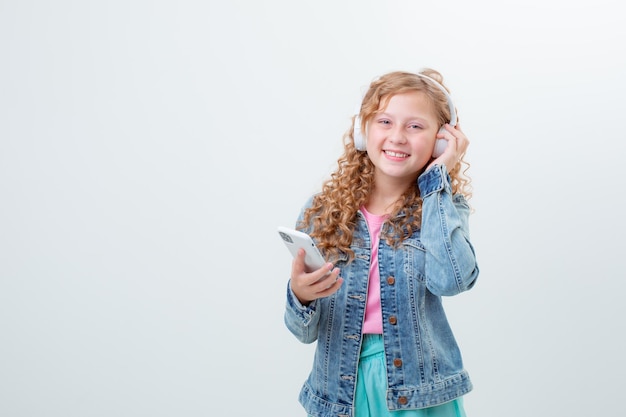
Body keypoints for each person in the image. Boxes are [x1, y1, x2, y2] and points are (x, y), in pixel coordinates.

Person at [283, 68, 479, 417]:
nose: (398, 137)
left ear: (441, 141)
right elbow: (303, 331)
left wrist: (439, 178)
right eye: (385, 122)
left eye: (416, 126)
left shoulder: (443, 209)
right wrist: (300, 294)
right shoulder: (323, 212)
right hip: (339, 390)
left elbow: (451, 281)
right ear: (363, 131)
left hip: (421, 392)